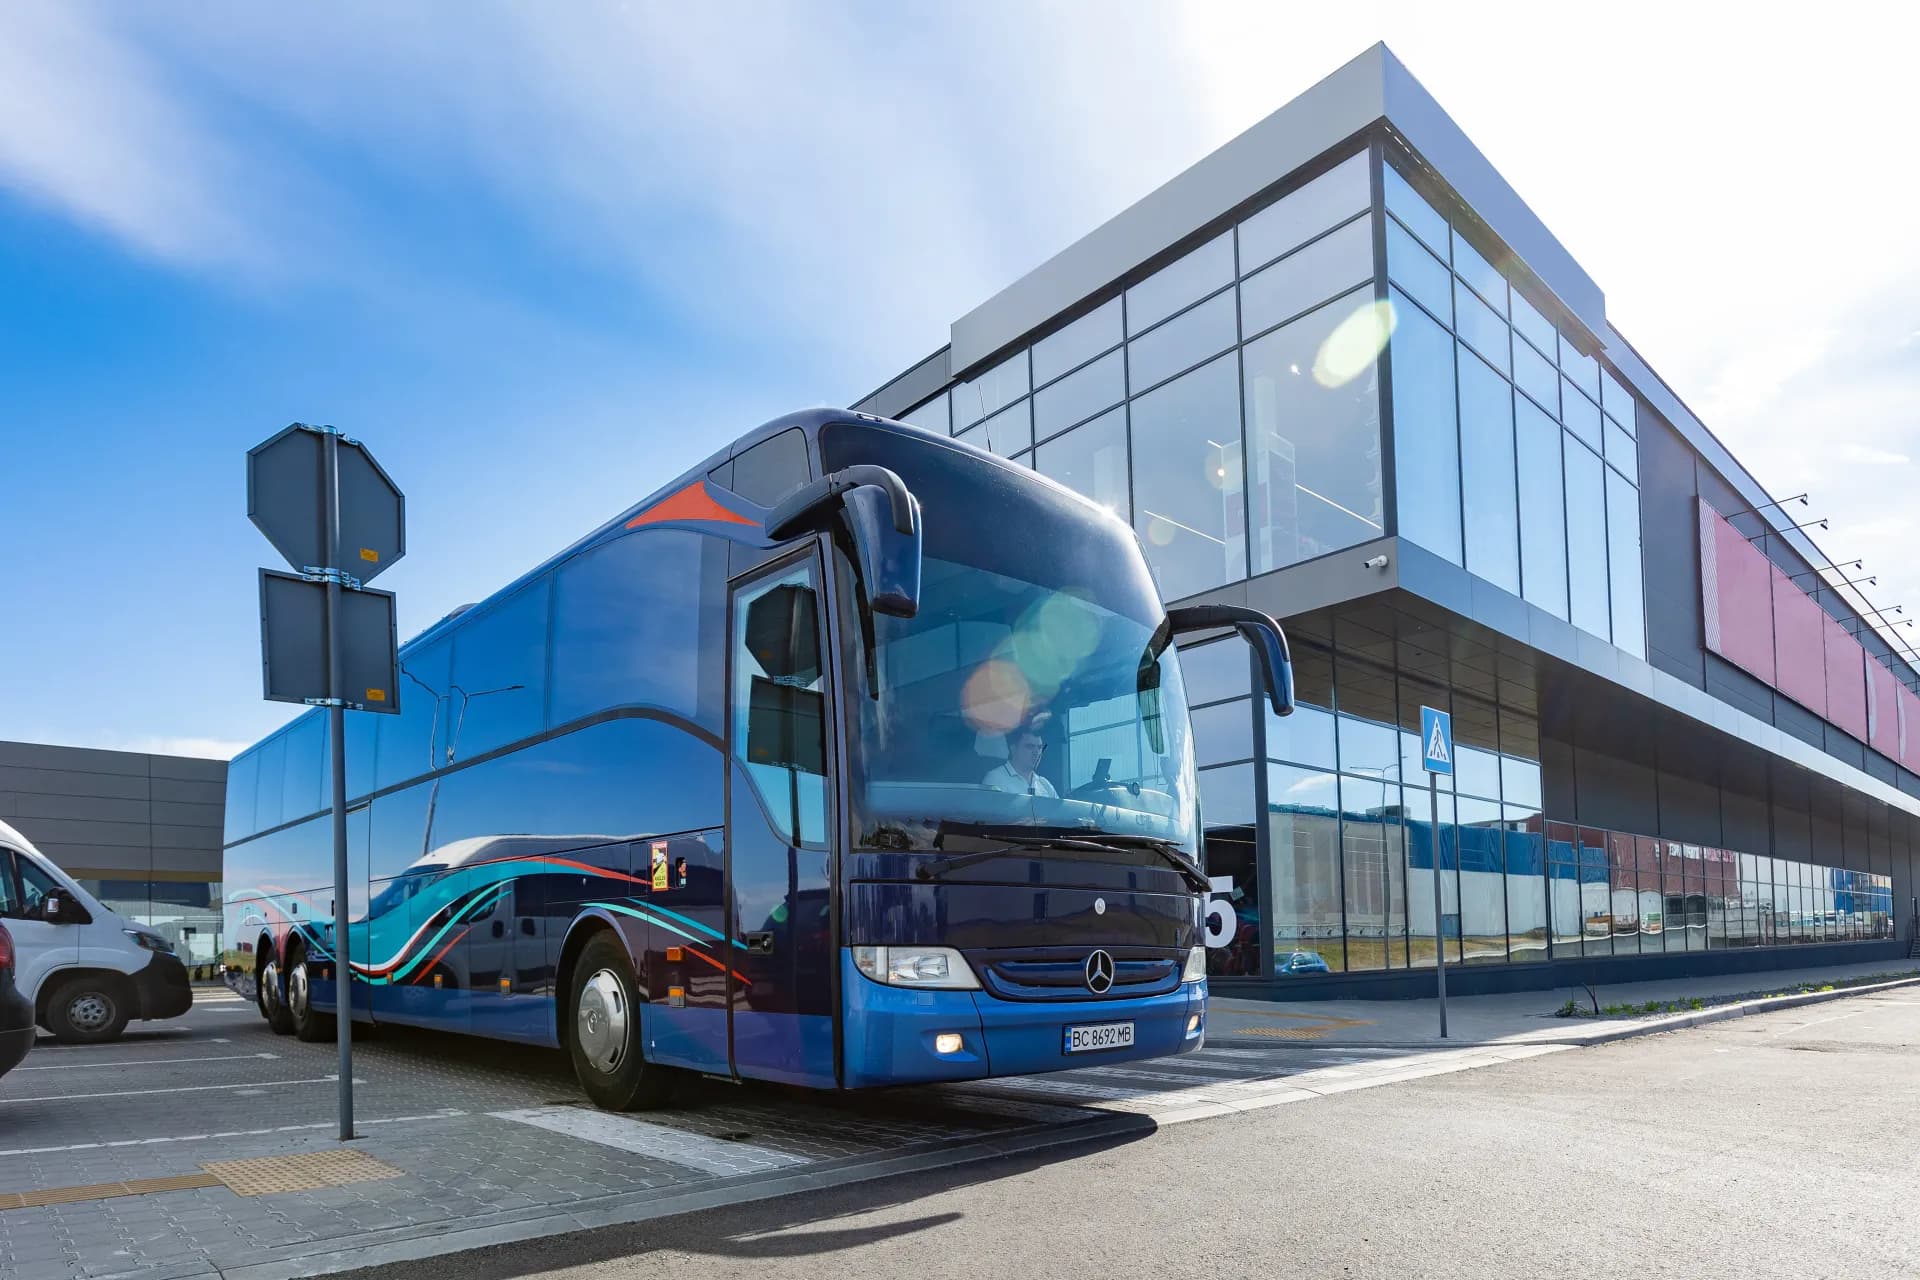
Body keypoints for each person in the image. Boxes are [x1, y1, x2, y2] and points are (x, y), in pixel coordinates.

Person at [982, 723, 1058, 798]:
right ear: (1013, 748)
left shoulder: (1045, 785)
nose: (1036, 753)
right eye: (1030, 746)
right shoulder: (995, 779)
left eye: (1039, 747)